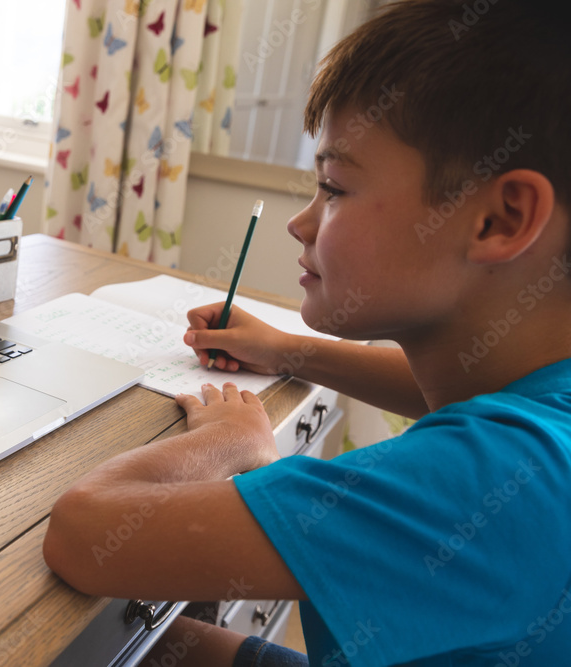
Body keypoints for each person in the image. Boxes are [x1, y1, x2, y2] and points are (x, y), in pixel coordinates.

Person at [43, 2, 571, 665]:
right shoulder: (541, 400)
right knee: (142, 644)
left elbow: (83, 530)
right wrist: (282, 347)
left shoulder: (498, 478)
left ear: (501, 218)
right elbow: (434, 387)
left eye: (334, 187)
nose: (302, 223)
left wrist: (232, 445)